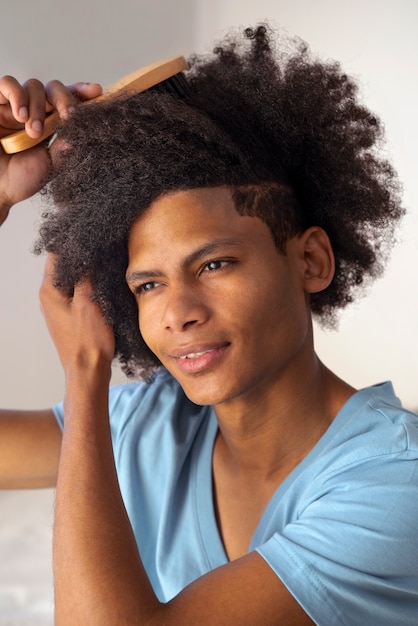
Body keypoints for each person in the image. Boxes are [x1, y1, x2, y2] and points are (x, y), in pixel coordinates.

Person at [0, 24, 417, 625]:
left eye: (215, 263)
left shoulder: (396, 484)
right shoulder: (154, 428)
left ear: (311, 260)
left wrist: (83, 371)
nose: (178, 312)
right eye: (148, 284)